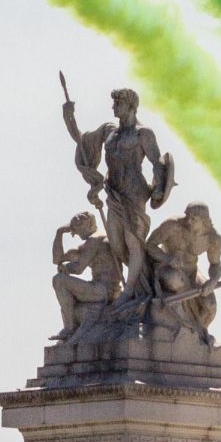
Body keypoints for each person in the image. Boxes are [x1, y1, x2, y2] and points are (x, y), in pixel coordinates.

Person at [60, 82, 174, 295]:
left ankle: (131, 292)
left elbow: (157, 162)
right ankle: (142, 287)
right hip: (113, 192)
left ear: (131, 106)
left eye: (118, 103)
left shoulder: (143, 134)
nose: (113, 108)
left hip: (134, 192)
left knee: (133, 241)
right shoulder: (109, 132)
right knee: (117, 245)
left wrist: (159, 188)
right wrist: (69, 117)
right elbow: (82, 140)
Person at [146, 202, 221, 344]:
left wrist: (212, 281)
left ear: (204, 221)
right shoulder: (172, 225)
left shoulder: (213, 238)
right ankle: (185, 327)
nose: (188, 220)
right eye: (187, 216)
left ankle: (200, 333)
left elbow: (215, 265)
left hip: (192, 272)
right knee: (175, 280)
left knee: (210, 304)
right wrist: (167, 258)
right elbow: (150, 245)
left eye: (194, 219)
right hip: (166, 268)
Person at [51, 212, 120, 339]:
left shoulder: (96, 239)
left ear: (89, 224)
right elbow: (57, 259)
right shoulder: (89, 243)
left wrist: (65, 268)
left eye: (78, 226)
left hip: (105, 289)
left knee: (59, 280)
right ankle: (70, 326)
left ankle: (69, 328)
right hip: (100, 288)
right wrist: (59, 232)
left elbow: (78, 269)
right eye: (74, 227)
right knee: (60, 280)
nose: (76, 232)